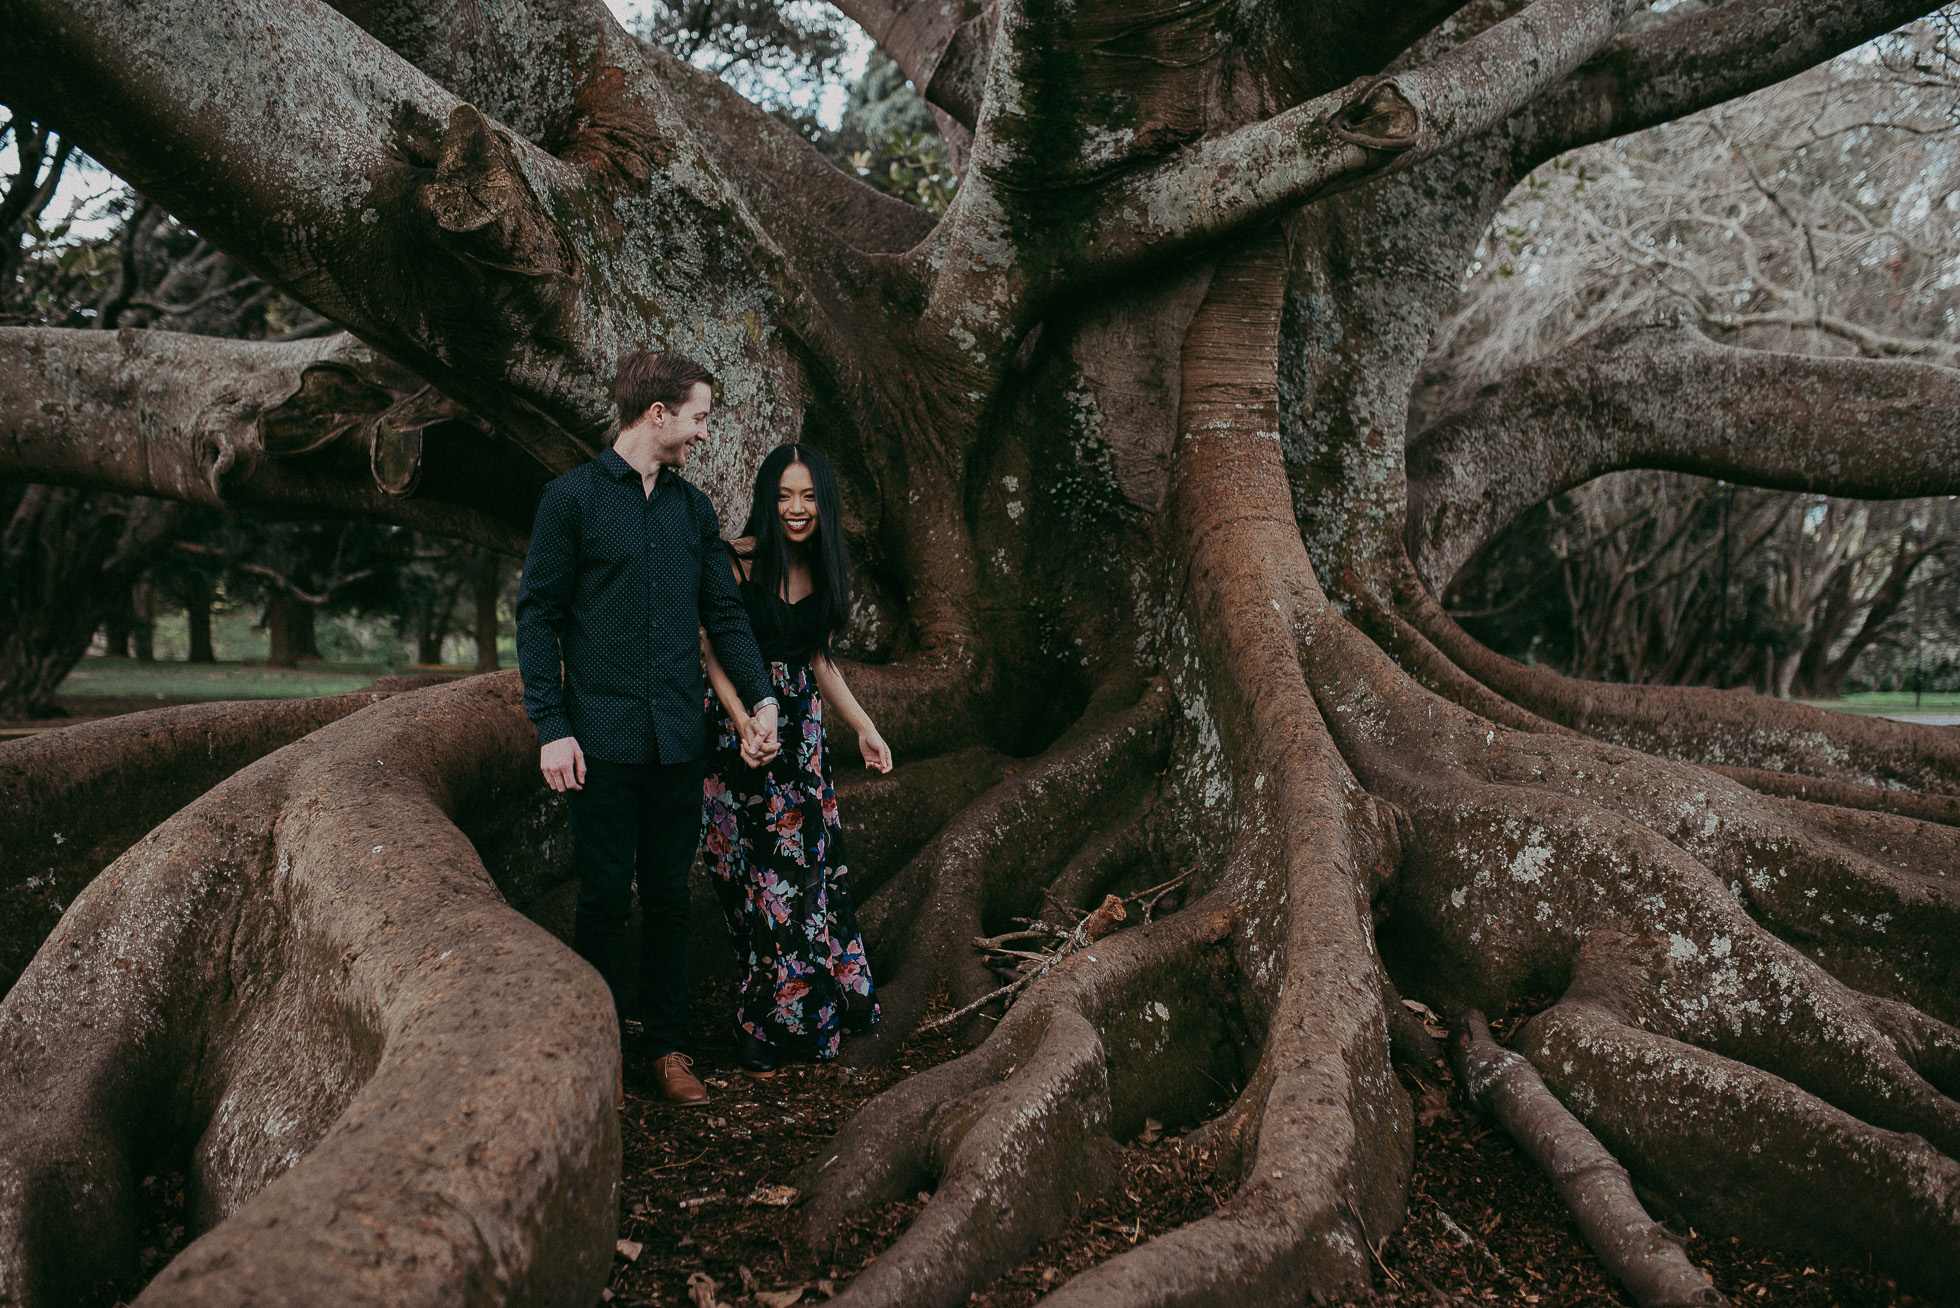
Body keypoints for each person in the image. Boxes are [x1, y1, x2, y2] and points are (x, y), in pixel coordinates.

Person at [515, 350, 781, 1108]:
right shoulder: (569, 500)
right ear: (657, 413)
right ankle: (600, 1054)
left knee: (669, 896)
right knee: (603, 898)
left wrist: (760, 701)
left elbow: (723, 616)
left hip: (677, 739)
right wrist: (552, 726)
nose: (704, 432)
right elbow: (538, 617)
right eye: (698, 416)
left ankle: (665, 1048)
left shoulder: (692, 511)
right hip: (597, 741)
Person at [701, 443, 890, 1075]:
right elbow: (712, 650)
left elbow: (817, 660)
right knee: (747, 886)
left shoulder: (826, 567)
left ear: (824, 503)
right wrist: (743, 721)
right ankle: (765, 1010)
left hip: (800, 744)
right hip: (738, 739)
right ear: (766, 498)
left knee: (801, 882)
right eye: (784, 495)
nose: (796, 508)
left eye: (808, 495)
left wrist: (865, 728)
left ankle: (779, 1024)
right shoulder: (735, 560)